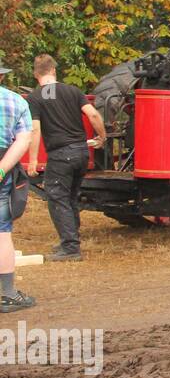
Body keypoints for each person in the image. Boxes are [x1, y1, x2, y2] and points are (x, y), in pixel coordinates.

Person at [25, 54, 106, 261]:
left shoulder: (35, 97)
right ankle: (70, 240)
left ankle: (70, 248)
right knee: (70, 197)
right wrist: (102, 137)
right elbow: (94, 115)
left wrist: (33, 160)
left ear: (36, 74)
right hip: (81, 152)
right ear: (53, 70)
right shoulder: (73, 91)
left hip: (60, 154)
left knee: (57, 197)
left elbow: (35, 130)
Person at [0, 62, 36, 313]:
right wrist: (2, 168)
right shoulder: (16, 101)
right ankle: (8, 295)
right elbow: (24, 139)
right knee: (2, 232)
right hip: (4, 165)